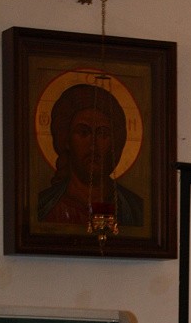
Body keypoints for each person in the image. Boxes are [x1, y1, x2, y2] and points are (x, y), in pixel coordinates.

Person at [38, 83, 143, 227]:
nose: (93, 145)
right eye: (83, 132)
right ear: (67, 139)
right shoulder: (45, 206)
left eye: (102, 134)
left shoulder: (134, 208)